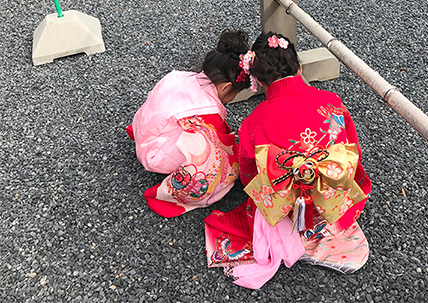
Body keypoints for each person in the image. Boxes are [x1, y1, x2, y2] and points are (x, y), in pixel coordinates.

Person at [204, 32, 372, 289]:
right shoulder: (332, 102)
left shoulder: (254, 123)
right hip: (330, 191)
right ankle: (325, 225)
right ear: (300, 67)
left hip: (284, 203)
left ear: (258, 81)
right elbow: (352, 151)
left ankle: (294, 232)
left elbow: (249, 175)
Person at [126, 30, 254, 218]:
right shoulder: (207, 109)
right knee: (217, 158)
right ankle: (178, 190)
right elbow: (218, 144)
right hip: (154, 155)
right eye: (234, 93)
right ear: (226, 87)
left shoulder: (178, 77)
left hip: (144, 130)